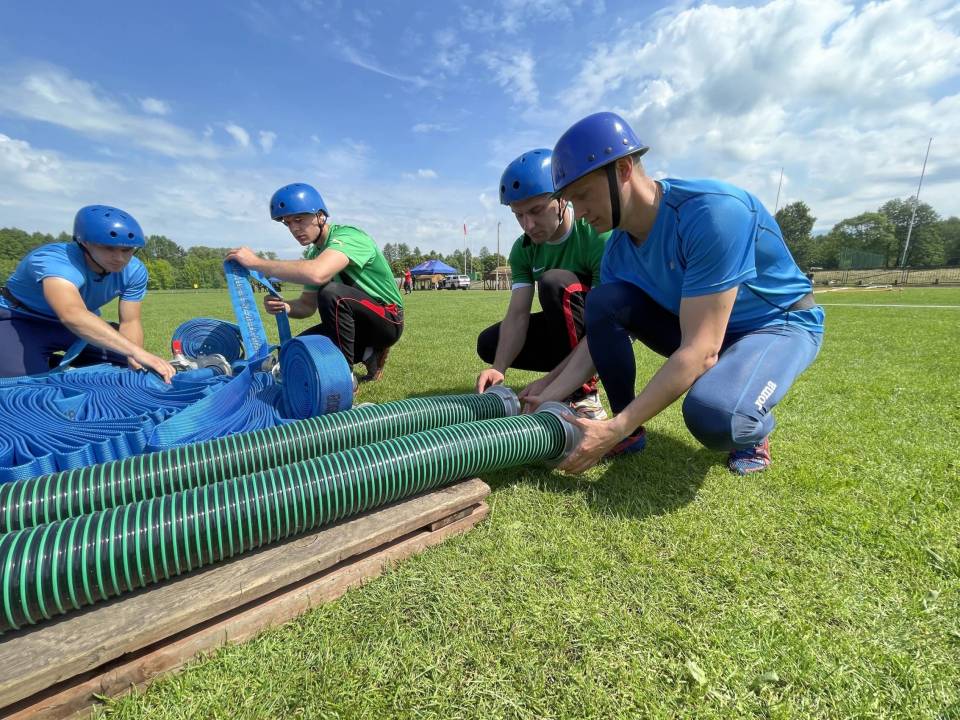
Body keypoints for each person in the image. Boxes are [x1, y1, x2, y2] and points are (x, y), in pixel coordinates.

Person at [527, 112, 824, 475]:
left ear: (623, 169)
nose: (581, 212)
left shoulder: (712, 212)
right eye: (572, 201)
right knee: (605, 302)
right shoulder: (617, 250)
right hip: (704, 330)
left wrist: (614, 427)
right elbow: (595, 341)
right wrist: (548, 391)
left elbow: (701, 350)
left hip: (777, 325)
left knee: (715, 415)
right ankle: (629, 433)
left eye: (584, 195)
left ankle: (752, 427)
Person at [475, 148, 610, 419]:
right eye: (519, 215)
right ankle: (564, 378)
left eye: (536, 210)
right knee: (489, 343)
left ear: (562, 199)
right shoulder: (523, 249)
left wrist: (553, 382)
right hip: (566, 331)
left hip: (603, 331)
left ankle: (583, 395)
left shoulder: (596, 234)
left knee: (553, 282)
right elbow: (518, 314)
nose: (528, 225)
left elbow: (604, 322)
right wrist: (499, 368)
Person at [226, 183, 403, 382]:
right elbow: (307, 306)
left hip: (388, 320)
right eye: (287, 223)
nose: (294, 228)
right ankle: (369, 354)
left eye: (299, 220)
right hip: (355, 326)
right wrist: (285, 306)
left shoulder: (350, 236)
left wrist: (256, 263)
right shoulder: (314, 253)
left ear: (320, 216)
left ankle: (344, 378)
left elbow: (317, 273)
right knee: (294, 351)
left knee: (331, 292)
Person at [0, 205, 176, 382]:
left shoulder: (134, 270)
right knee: (22, 387)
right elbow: (72, 314)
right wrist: (135, 351)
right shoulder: (54, 260)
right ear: (84, 243)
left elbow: (130, 322)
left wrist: (135, 358)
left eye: (127, 250)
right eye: (108, 248)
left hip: (75, 326)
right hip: (20, 319)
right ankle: (43, 363)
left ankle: (50, 362)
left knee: (130, 365)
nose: (119, 258)